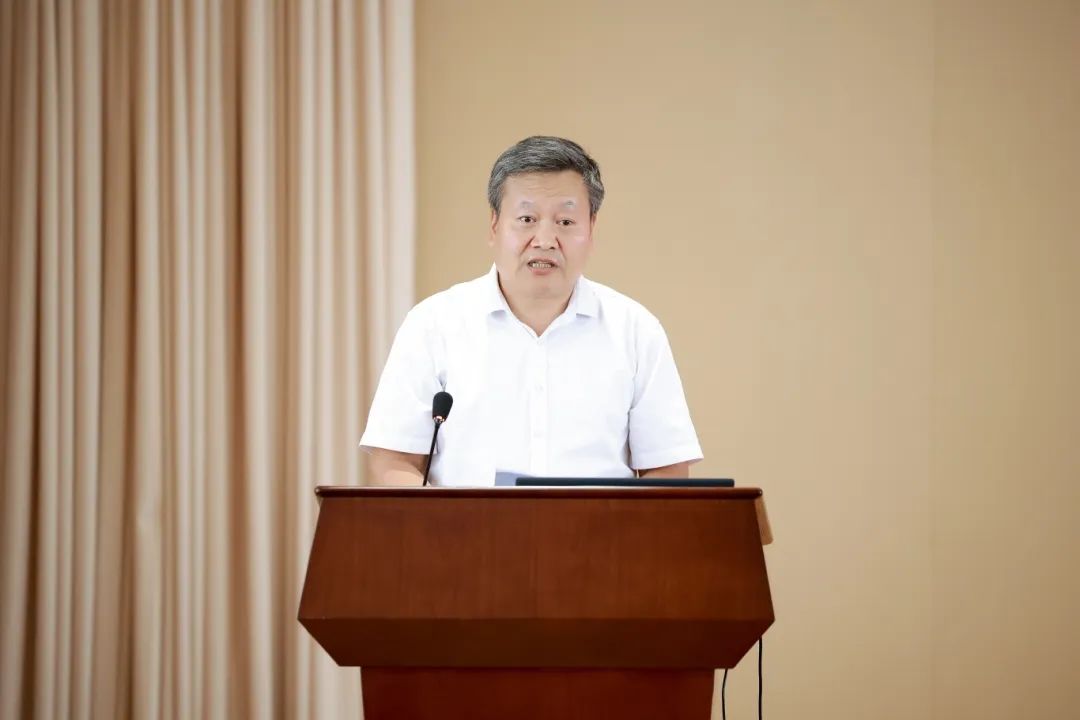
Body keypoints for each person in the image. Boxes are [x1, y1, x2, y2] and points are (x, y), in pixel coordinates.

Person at [360, 136, 702, 486]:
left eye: (565, 222)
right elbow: (395, 462)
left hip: (601, 525)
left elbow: (667, 468)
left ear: (591, 228)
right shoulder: (433, 325)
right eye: (526, 218)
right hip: (465, 524)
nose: (545, 240)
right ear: (494, 226)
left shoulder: (636, 330)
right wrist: (447, 522)